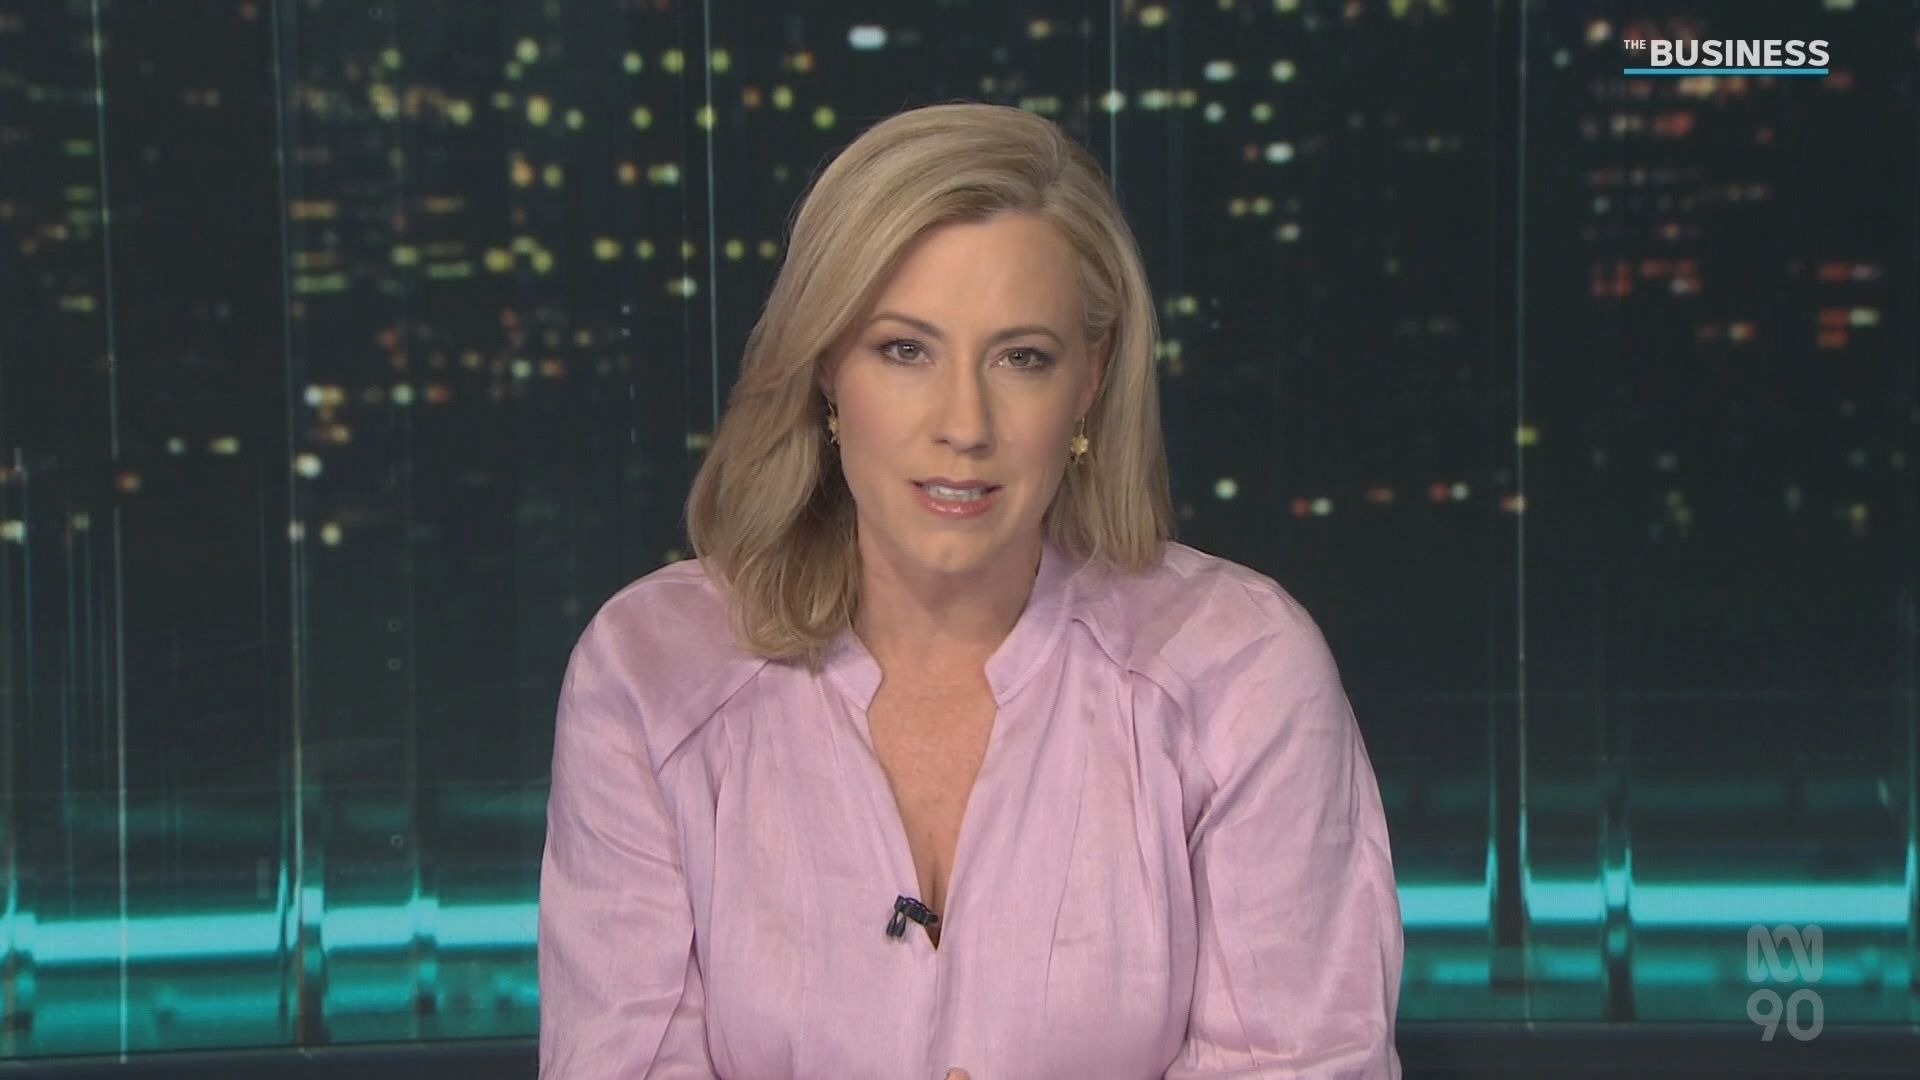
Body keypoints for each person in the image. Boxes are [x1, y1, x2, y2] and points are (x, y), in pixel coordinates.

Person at [537, 101, 1403, 1079]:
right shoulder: (649, 672)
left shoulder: (1240, 669)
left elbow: (1301, 1061)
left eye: (1021, 358)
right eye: (904, 350)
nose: (964, 424)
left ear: (1091, 378)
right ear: (826, 366)